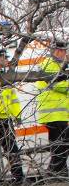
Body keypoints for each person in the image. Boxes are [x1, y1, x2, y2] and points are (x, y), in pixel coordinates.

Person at [0, 49, 25, 184]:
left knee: (12, 149)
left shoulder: (6, 76)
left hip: (5, 119)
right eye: (4, 58)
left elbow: (13, 99)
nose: (6, 60)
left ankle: (18, 178)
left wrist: (17, 115)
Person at [36, 40, 69, 178]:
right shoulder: (49, 64)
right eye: (65, 51)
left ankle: (60, 171)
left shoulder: (56, 65)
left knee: (60, 144)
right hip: (53, 113)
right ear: (58, 51)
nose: (66, 54)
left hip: (57, 113)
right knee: (62, 144)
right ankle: (53, 172)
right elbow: (58, 85)